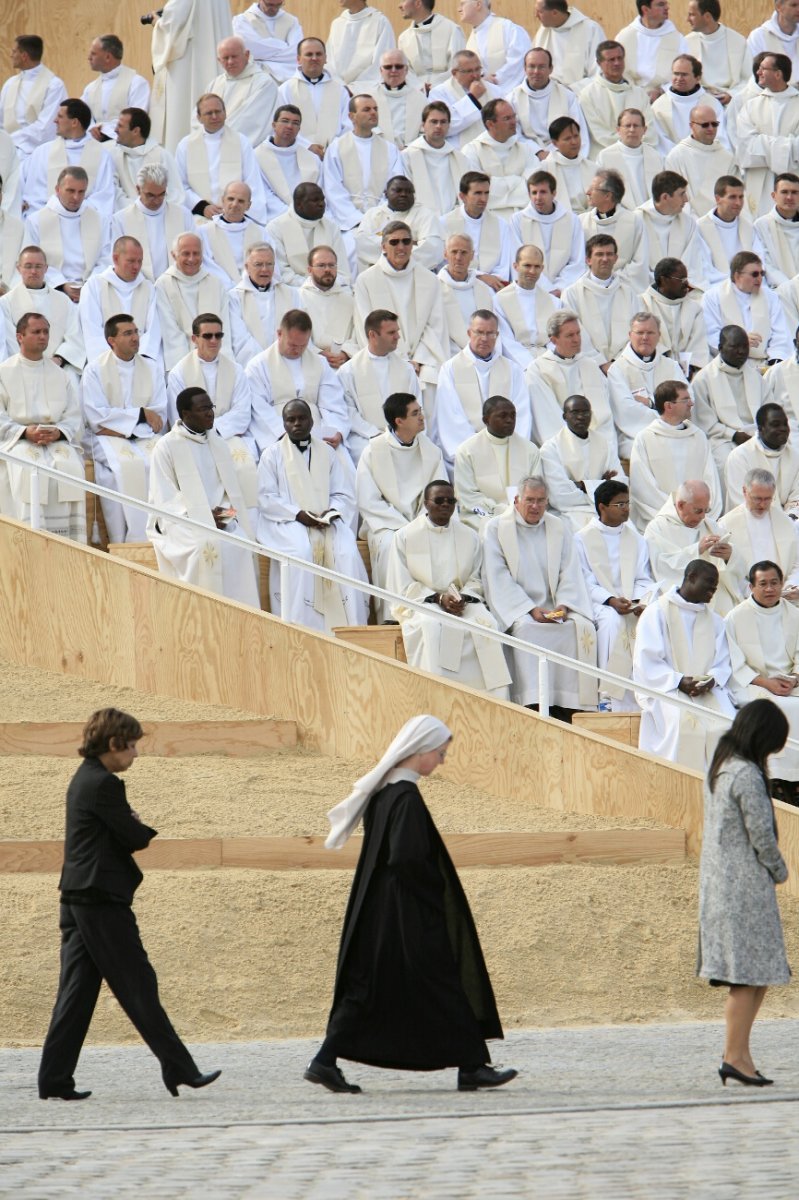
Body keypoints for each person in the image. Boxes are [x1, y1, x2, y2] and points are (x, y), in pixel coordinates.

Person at [305, 714, 517, 1094]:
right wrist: (433, 893)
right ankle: (471, 1067)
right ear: (419, 753)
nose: (441, 760)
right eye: (439, 753)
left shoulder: (386, 794)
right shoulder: (405, 797)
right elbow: (406, 858)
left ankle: (325, 1061)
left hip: (383, 911)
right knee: (440, 979)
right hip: (407, 913)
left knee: (370, 986)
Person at [37, 708, 222, 1101]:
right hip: (99, 901)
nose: (136, 753)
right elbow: (135, 836)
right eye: (133, 744)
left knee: (77, 992)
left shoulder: (83, 778)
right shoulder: (104, 784)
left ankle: (54, 1079)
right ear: (114, 744)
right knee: (138, 984)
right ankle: (179, 1067)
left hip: (79, 897)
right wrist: (136, 821)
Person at [697, 699, 790, 1086]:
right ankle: (734, 1056)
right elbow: (761, 836)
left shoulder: (722, 767)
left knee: (756, 974)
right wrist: (781, 870)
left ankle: (741, 1055)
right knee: (746, 978)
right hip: (744, 891)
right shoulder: (746, 774)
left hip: (725, 888)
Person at [482, 475, 598, 716]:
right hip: (521, 609)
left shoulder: (558, 527)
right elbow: (498, 575)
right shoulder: (496, 528)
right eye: (530, 500)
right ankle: (532, 703)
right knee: (527, 630)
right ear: (516, 500)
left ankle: (568, 706)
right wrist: (530, 609)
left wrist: (564, 606)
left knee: (578, 628)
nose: (535, 507)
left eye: (541, 501)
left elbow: (570, 571)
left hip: (555, 607)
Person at [387, 480, 512, 697]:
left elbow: (476, 578)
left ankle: (492, 700)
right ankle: (439, 696)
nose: (445, 505)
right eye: (439, 500)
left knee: (489, 625)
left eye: (450, 500)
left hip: (463, 602)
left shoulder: (469, 536)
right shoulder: (405, 536)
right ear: (426, 503)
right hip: (424, 603)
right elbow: (402, 583)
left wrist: (461, 597)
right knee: (432, 626)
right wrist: (438, 598)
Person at [256, 400, 367, 629]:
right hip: (288, 521)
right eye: (291, 419)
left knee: (346, 552)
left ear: (312, 421)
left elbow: (342, 492)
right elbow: (266, 497)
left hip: (326, 522)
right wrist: (298, 514)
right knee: (302, 551)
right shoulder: (272, 455)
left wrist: (333, 512)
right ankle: (301, 623)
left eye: (302, 418)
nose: (297, 423)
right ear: (284, 423)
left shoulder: (327, 452)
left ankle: (351, 626)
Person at [147, 386, 260, 605]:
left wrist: (224, 515)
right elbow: (165, 496)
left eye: (211, 407)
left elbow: (231, 493)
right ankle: (199, 614)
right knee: (201, 547)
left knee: (240, 543)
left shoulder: (218, 443)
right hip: (181, 520)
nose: (210, 413)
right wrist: (202, 516)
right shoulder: (167, 446)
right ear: (186, 414)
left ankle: (240, 618)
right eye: (203, 409)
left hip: (219, 517)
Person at [633, 558, 736, 767]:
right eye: (709, 583)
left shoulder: (715, 620)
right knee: (683, 727)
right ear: (691, 577)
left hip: (706, 691)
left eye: (715, 586)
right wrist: (679, 681)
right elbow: (647, 660)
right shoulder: (656, 612)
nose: (713, 590)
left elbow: (723, 661)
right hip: (667, 689)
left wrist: (712, 680)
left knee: (729, 725)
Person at [356, 392, 445, 620]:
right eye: (415, 413)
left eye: (421, 411)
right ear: (399, 421)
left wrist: (419, 523)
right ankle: (393, 616)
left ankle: (432, 612)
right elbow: (369, 501)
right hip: (386, 525)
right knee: (391, 545)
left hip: (422, 521)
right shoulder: (373, 452)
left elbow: (439, 493)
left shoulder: (431, 451)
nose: (422, 417)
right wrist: (403, 527)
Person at [81, 313, 167, 544]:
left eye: (136, 332)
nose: (135, 338)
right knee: (125, 467)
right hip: (104, 440)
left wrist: (124, 425)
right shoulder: (95, 370)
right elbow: (96, 418)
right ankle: (128, 541)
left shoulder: (151, 366)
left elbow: (158, 415)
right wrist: (139, 415)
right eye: (128, 333)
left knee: (158, 462)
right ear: (111, 340)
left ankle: (162, 535)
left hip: (143, 436)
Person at [0, 313, 85, 542]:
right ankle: (29, 541)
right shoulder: (4, 372)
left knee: (71, 466)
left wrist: (59, 432)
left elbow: (73, 415)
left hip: (55, 440)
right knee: (28, 469)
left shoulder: (60, 375)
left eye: (46, 331)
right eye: (36, 332)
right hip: (18, 440)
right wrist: (25, 432)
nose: (43, 336)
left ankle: (69, 546)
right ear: (19, 336)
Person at [575, 479, 654, 710]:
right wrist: (610, 600)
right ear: (602, 507)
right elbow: (583, 580)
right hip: (599, 603)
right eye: (619, 504)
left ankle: (640, 698)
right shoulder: (581, 539)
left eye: (627, 503)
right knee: (612, 622)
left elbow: (643, 577)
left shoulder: (636, 539)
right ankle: (608, 697)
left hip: (630, 602)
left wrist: (639, 601)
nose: (626, 509)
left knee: (646, 621)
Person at [727, 562, 799, 798]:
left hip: (791, 683)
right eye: (763, 584)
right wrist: (767, 683)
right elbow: (734, 662)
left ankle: (795, 780)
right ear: (751, 586)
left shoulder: (794, 613)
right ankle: (776, 779)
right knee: (776, 708)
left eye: (774, 583)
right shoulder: (736, 617)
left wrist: (795, 678)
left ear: (781, 584)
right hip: (755, 683)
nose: (769, 589)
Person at [434, 310, 530, 473]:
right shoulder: (450, 369)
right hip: (469, 456)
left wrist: (508, 449)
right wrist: (477, 452)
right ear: (469, 333)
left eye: (490, 333)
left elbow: (521, 412)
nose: (484, 339)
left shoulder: (512, 369)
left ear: (497, 335)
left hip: (507, 453)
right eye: (479, 332)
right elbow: (450, 416)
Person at [629, 378, 720, 531]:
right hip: (662, 524)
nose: (691, 404)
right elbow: (643, 488)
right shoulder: (645, 439)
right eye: (685, 400)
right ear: (669, 406)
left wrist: (699, 513)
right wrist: (676, 515)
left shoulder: (698, 436)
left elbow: (711, 480)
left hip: (699, 522)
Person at [644, 478, 742, 613]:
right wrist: (697, 549)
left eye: (706, 510)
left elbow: (737, 565)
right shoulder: (657, 528)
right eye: (698, 511)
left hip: (712, 590)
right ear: (680, 505)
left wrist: (728, 556)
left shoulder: (710, 525)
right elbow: (660, 566)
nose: (703, 517)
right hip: (677, 595)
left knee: (729, 607)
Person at [148, 0, 234, 153]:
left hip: (186, 68)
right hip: (213, 64)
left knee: (181, 118)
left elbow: (172, 23)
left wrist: (157, 22)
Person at [338, 308, 421, 465]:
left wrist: (401, 434)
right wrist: (376, 434)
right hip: (366, 438)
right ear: (373, 335)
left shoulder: (406, 369)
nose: (397, 337)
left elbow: (417, 405)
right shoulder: (348, 371)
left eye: (397, 331)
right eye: (391, 333)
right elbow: (348, 411)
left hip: (404, 434)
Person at [525, 310, 615, 447]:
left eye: (578, 333)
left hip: (598, 444)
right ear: (554, 340)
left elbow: (604, 416)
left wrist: (603, 448)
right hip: (563, 449)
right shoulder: (538, 370)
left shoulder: (590, 365)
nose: (577, 339)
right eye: (570, 335)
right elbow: (547, 419)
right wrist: (577, 446)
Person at [607, 311, 691, 458]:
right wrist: (668, 413)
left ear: (659, 335)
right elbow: (626, 411)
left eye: (650, 332)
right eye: (640, 332)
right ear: (630, 335)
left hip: (676, 431)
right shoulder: (617, 369)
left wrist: (651, 403)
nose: (645, 338)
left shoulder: (671, 366)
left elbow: (686, 401)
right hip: (634, 437)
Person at [691, 325, 771, 478]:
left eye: (745, 346)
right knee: (727, 463)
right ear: (721, 347)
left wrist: (762, 433)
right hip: (722, 440)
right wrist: (734, 435)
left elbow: (768, 409)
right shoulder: (703, 379)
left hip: (757, 436)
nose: (741, 351)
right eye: (735, 346)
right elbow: (705, 424)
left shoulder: (755, 376)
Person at [454, 396, 541, 534]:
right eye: (503, 416)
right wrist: (502, 511)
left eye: (513, 415)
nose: (510, 420)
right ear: (486, 420)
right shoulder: (466, 451)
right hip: (481, 516)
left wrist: (520, 510)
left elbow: (536, 488)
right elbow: (468, 495)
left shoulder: (530, 450)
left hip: (523, 514)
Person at [22, 97, 117, 222]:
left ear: (74, 122)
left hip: (84, 221)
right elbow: (23, 185)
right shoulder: (42, 151)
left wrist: (70, 212)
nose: (55, 121)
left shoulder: (102, 155)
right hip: (43, 219)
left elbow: (104, 196)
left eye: (60, 117)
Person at [175, 93, 266, 224]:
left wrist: (238, 210)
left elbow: (252, 182)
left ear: (225, 113)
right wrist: (202, 207)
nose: (214, 116)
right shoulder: (185, 145)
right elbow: (179, 185)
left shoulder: (241, 142)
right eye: (208, 113)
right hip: (199, 217)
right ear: (199, 118)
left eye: (218, 111)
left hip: (236, 216)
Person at [24, 167, 110, 302]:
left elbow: (106, 257)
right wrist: (62, 284)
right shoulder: (36, 221)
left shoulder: (99, 219)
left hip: (92, 289)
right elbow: (33, 261)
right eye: (70, 191)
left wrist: (89, 285)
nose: (76, 197)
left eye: (81, 192)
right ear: (57, 189)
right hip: (51, 289)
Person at [540, 394, 624, 530]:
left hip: (606, 510)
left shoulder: (604, 444)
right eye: (575, 412)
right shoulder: (551, 448)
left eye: (585, 412)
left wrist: (581, 485)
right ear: (564, 416)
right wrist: (602, 486)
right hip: (569, 514)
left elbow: (621, 485)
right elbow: (559, 497)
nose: (581, 416)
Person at [321, 94, 404, 233]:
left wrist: (378, 217)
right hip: (348, 225)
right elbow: (333, 188)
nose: (373, 112)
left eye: (375, 109)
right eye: (366, 109)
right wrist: (356, 219)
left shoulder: (389, 149)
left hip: (382, 223)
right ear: (352, 116)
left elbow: (395, 186)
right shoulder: (336, 148)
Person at [560, 234, 640, 369]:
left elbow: (637, 329)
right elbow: (575, 332)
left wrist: (619, 362)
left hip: (625, 364)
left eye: (609, 254)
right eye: (599, 254)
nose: (605, 259)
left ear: (616, 258)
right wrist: (600, 363)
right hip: (586, 364)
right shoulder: (572, 294)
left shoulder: (629, 292)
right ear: (588, 260)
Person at [78, 236, 161, 364]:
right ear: (116, 258)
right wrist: (114, 360)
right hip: (105, 361)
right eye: (131, 261)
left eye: (140, 261)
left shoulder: (148, 287)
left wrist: (139, 360)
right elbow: (92, 329)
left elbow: (152, 329)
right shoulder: (93, 286)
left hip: (141, 361)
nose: (136, 266)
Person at [1, 246, 84, 372]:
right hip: (22, 369)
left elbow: (74, 335)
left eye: (38, 266)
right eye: (28, 266)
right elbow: (10, 341)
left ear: (46, 268)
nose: (33, 271)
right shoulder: (6, 303)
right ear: (19, 268)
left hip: (59, 367)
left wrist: (58, 359)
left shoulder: (64, 300)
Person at [719, 467, 799, 597]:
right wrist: (752, 593)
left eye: (767, 499)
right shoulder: (726, 524)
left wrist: (791, 585)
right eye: (757, 498)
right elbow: (725, 567)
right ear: (745, 491)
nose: (762, 505)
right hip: (744, 596)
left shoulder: (786, 522)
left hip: (783, 595)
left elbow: (797, 560)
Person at [155, 232, 229, 371]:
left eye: (196, 253)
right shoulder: (163, 284)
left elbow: (225, 327)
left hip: (216, 360)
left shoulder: (215, 283)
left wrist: (221, 360)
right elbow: (171, 332)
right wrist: (190, 366)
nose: (191, 259)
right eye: (185, 253)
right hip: (182, 362)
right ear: (173, 255)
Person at [737, 52, 799, 216]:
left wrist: (763, 143)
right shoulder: (751, 107)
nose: (758, 72)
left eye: (763, 68)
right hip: (761, 183)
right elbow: (746, 147)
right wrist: (787, 145)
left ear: (778, 74)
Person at [702, 252, 792, 365]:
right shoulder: (712, 297)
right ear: (737, 276)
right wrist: (738, 342)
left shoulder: (771, 297)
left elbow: (780, 335)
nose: (759, 278)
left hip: (764, 363)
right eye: (754, 274)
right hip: (727, 363)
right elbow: (711, 335)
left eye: (762, 273)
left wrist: (775, 362)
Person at [111, 164, 193, 283]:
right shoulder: (120, 219)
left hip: (176, 284)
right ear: (138, 189)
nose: (157, 200)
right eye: (150, 195)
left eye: (161, 194)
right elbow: (116, 261)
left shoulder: (183, 215)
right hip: (136, 285)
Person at [462, 100, 543, 222]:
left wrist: (494, 184)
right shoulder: (472, 151)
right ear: (490, 124)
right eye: (507, 118)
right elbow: (474, 192)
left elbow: (534, 187)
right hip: (486, 219)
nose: (513, 122)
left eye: (513, 117)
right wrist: (518, 182)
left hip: (524, 217)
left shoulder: (525, 149)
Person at [579, 41, 660, 160]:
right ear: (599, 63)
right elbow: (599, 135)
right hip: (605, 156)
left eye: (619, 58)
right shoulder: (588, 95)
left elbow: (649, 130)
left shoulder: (639, 93)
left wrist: (634, 149)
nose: (617, 63)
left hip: (640, 155)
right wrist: (628, 146)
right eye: (611, 60)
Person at [510, 171, 584, 296]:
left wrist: (560, 288)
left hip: (564, 291)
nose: (538, 197)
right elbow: (517, 257)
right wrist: (546, 289)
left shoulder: (572, 220)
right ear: (529, 194)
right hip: (530, 288)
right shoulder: (518, 220)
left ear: (554, 193)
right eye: (534, 192)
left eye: (543, 192)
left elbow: (577, 261)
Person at [580, 168, 651, 294]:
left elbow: (640, 262)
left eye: (593, 189)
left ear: (608, 195)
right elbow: (578, 261)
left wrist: (612, 282)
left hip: (625, 289)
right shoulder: (582, 222)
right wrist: (597, 281)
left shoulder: (634, 221)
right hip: (589, 287)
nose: (587, 192)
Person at [274, 38, 351, 156]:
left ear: (325, 58)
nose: (314, 58)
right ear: (298, 59)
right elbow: (280, 125)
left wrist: (333, 149)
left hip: (334, 155)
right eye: (309, 54)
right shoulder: (285, 90)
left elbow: (348, 125)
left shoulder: (340, 91)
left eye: (318, 54)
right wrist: (307, 146)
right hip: (296, 154)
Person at [228, 241, 299, 366]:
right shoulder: (234, 298)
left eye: (269, 264)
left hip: (286, 363)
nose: (264, 269)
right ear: (247, 267)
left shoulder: (291, 294)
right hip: (251, 366)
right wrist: (266, 363)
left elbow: (297, 330)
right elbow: (240, 339)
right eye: (258, 264)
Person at [507, 48, 589, 156]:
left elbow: (579, 132)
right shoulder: (512, 99)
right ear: (525, 68)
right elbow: (513, 134)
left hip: (563, 155)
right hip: (527, 156)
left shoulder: (567, 96)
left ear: (551, 69)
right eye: (532, 66)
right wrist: (537, 151)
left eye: (541, 67)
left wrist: (555, 155)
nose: (536, 71)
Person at [355, 175, 444, 274]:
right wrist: (410, 244)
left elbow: (433, 252)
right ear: (386, 194)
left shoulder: (426, 215)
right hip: (379, 275)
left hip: (416, 275)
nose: (403, 194)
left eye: (409, 191)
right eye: (398, 190)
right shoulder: (372, 215)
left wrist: (386, 245)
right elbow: (362, 246)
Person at [0, 34, 66, 161]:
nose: (11, 55)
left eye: (14, 51)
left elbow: (46, 127)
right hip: (5, 152)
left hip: (35, 153)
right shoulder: (10, 84)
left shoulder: (54, 85)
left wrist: (11, 140)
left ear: (24, 56)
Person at [663, 103, 738, 215]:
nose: (711, 128)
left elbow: (734, 194)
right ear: (691, 126)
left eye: (714, 124)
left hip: (721, 219)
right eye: (705, 125)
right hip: (688, 222)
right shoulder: (676, 156)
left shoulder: (727, 157)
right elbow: (674, 197)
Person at [442, 173, 514, 288]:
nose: (484, 199)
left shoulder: (501, 225)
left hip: (492, 287)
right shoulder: (444, 223)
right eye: (478, 193)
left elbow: (503, 266)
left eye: (486, 193)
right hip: (454, 284)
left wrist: (488, 282)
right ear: (462, 196)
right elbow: (444, 263)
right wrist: (479, 277)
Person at [205, 36, 278, 148]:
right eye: (225, 58)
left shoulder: (263, 83)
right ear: (219, 61)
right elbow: (199, 115)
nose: (230, 62)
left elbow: (249, 121)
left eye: (234, 56)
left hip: (243, 150)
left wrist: (218, 140)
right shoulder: (215, 84)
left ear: (247, 55)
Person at [493, 244, 559, 369]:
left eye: (537, 266)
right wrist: (531, 366)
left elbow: (556, 339)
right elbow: (506, 341)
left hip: (550, 363)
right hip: (516, 365)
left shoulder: (553, 302)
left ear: (542, 268)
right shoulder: (500, 300)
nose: (532, 271)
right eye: (527, 265)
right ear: (516, 266)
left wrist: (548, 362)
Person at [641, 256, 708, 376]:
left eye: (686, 278)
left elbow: (698, 345)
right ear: (663, 280)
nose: (687, 283)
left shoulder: (694, 308)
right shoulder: (642, 304)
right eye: (681, 279)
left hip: (688, 374)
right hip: (653, 369)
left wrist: (689, 370)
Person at [107, 109, 185, 211]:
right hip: (125, 216)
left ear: (135, 131)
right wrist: (136, 209)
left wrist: (153, 210)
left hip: (159, 216)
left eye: (120, 126)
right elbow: (112, 190)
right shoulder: (113, 155)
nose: (115, 130)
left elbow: (175, 193)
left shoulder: (162, 155)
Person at [401, 102, 470, 215]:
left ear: (449, 125)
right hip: (420, 220)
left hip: (453, 220)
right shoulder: (408, 155)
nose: (438, 126)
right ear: (423, 125)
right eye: (434, 121)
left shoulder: (459, 158)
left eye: (443, 122)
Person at [256, 105, 321, 224]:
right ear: (274, 125)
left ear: (299, 129)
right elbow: (262, 192)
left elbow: (319, 190)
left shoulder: (312, 158)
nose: (290, 126)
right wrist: (291, 215)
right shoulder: (257, 156)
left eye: (295, 123)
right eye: (285, 121)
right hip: (273, 219)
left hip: (309, 217)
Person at [80, 35, 151, 143]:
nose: (89, 57)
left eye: (93, 53)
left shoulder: (137, 83)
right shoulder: (90, 89)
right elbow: (82, 115)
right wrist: (92, 129)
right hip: (95, 146)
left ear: (108, 57)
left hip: (125, 147)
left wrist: (103, 129)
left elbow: (137, 118)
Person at [200, 182, 269, 289]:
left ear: (248, 205)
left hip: (253, 291)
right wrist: (232, 287)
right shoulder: (204, 232)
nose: (235, 204)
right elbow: (206, 265)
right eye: (231, 199)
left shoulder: (261, 233)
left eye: (241, 201)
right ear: (223, 200)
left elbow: (269, 265)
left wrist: (246, 285)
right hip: (218, 291)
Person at [697, 175, 761, 287]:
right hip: (716, 288)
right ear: (718, 199)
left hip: (749, 285)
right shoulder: (700, 227)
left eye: (741, 197)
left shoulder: (748, 226)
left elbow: (760, 259)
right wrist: (735, 283)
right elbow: (704, 268)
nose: (738, 203)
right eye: (732, 197)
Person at [355, 52, 427, 152]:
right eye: (388, 67)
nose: (393, 71)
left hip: (412, 154)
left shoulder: (420, 98)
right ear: (381, 70)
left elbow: (425, 131)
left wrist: (409, 149)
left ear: (406, 70)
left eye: (398, 66)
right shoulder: (369, 98)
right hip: (377, 153)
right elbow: (362, 126)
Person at [615, 0, 688, 98]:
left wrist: (662, 90)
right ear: (645, 9)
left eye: (666, 3)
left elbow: (686, 71)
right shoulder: (624, 37)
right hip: (627, 95)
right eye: (661, 4)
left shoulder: (678, 39)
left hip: (664, 98)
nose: (667, 7)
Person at [437, 234, 497, 353]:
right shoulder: (434, 288)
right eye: (454, 252)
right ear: (445, 254)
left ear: (472, 256)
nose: (458, 257)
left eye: (464, 252)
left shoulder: (484, 289)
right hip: (448, 353)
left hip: (483, 351)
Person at [595, 107, 663, 210]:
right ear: (618, 130)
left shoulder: (655, 156)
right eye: (627, 126)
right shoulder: (605, 156)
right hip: (619, 215)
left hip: (651, 215)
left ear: (644, 130)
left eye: (636, 126)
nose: (632, 130)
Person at [685, 0, 752, 102]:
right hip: (697, 99)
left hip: (731, 100)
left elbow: (748, 78)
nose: (687, 19)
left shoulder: (738, 41)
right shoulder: (687, 42)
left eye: (692, 15)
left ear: (707, 16)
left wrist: (731, 95)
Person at [532, 0, 605, 89]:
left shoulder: (590, 29)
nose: (536, 15)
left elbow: (599, 72)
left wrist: (569, 91)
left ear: (554, 13)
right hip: (549, 94)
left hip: (581, 94)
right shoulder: (543, 32)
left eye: (540, 12)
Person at [398, 0, 467, 90]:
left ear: (418, 3)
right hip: (417, 93)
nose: (399, 5)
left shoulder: (451, 29)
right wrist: (420, 87)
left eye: (403, 0)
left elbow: (458, 65)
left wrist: (436, 87)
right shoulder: (404, 38)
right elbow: (406, 71)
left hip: (449, 91)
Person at [326, 0, 396, 88]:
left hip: (369, 90)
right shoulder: (337, 23)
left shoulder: (380, 21)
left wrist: (356, 88)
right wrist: (341, 86)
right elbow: (329, 61)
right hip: (339, 89)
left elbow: (382, 62)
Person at [232, 0, 305, 84]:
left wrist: (264, 56)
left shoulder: (292, 21)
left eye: (278, 5)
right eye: (269, 5)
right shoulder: (242, 20)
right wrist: (285, 48)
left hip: (290, 79)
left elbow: (296, 51)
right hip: (257, 77)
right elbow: (250, 49)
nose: (274, 9)